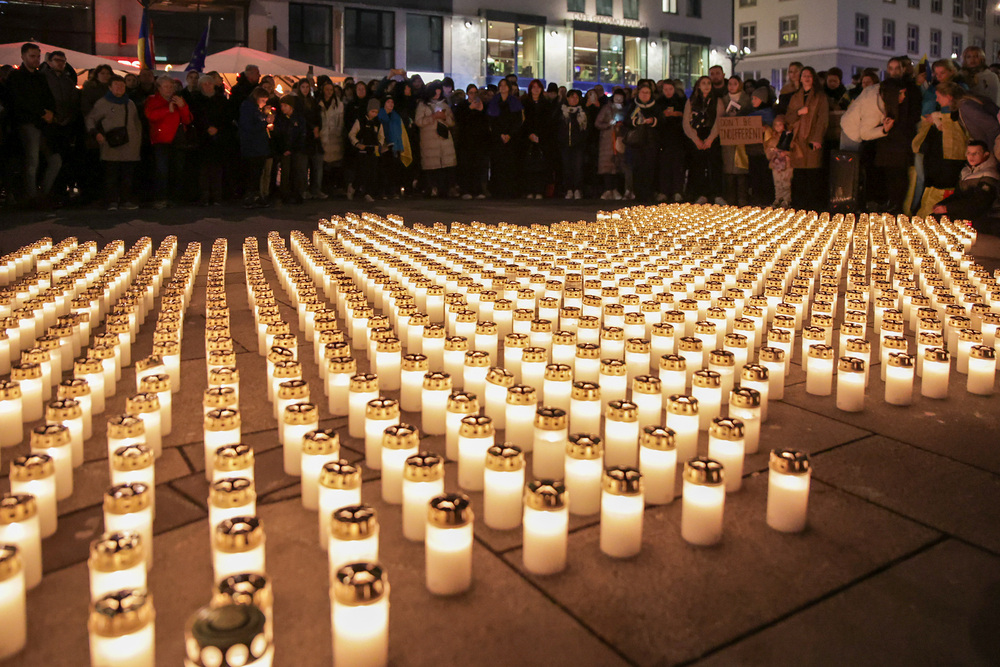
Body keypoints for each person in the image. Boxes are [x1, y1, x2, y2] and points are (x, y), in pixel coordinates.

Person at [7, 43, 61, 204]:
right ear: (23, 57)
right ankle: (33, 195)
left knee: (53, 160)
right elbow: (20, 101)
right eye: (32, 56)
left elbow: (48, 98)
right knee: (33, 160)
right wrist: (44, 113)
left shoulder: (40, 77)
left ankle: (40, 193)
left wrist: (51, 113)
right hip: (28, 122)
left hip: (42, 123)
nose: (36, 59)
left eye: (38, 56)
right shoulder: (16, 77)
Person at [911, 82, 970, 215]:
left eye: (939, 97)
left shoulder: (957, 114)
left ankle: (932, 216)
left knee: (941, 188)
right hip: (938, 159)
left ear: (949, 97)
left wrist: (936, 119)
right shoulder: (944, 114)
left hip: (948, 162)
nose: (937, 100)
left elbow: (954, 134)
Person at [84, 74, 141, 210]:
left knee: (127, 175)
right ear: (110, 87)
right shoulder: (102, 103)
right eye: (116, 85)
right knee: (112, 174)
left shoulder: (130, 103)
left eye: (122, 85)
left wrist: (138, 141)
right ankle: (112, 201)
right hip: (112, 145)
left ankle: (125, 200)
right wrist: (96, 133)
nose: (119, 87)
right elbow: (90, 119)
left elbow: (136, 123)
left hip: (130, 145)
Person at [932, 140, 1000, 234]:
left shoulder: (989, 174)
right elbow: (958, 195)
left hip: (983, 215)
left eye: (976, 153)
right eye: (968, 153)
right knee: (933, 218)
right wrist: (942, 204)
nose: (971, 156)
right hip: (963, 209)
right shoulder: (966, 171)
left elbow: (979, 203)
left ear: (986, 154)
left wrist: (947, 208)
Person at [145, 75, 193, 208]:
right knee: (162, 170)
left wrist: (182, 106)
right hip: (161, 140)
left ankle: (175, 198)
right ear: (159, 88)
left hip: (178, 139)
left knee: (178, 169)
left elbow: (187, 120)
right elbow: (150, 115)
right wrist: (167, 109)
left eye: (171, 86)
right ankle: (161, 197)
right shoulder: (153, 99)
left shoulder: (178, 99)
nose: (169, 89)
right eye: (166, 86)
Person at [785, 66, 829, 210]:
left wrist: (817, 138)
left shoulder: (820, 97)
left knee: (812, 171)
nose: (807, 78)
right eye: (804, 75)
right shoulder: (795, 97)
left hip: (811, 138)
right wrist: (799, 112)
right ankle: (799, 204)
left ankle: (813, 205)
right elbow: (789, 117)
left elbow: (822, 119)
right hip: (797, 139)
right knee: (799, 172)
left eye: (809, 75)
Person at [683, 76, 726, 204]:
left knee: (714, 165)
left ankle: (717, 194)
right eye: (703, 83)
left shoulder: (717, 101)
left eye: (708, 83)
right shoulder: (691, 101)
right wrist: (695, 139)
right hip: (697, 135)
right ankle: (701, 194)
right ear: (698, 86)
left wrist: (711, 139)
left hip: (712, 135)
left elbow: (719, 120)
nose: (706, 86)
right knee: (698, 166)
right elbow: (686, 122)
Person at [190, 73, 230, 206]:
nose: (207, 86)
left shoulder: (221, 99)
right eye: (204, 84)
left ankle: (217, 195)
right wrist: (206, 127)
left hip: (218, 138)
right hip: (202, 138)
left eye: (210, 83)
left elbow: (226, 117)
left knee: (217, 169)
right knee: (203, 169)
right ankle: (204, 196)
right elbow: (195, 117)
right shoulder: (196, 99)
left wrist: (217, 128)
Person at [415, 82, 458, 197]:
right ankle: (432, 189)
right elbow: (419, 121)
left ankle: (446, 189)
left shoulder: (444, 105)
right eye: (436, 92)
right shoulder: (423, 105)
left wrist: (444, 118)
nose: (438, 94)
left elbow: (452, 122)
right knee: (432, 166)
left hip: (444, 139)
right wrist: (433, 117)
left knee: (446, 165)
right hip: (429, 140)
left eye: (439, 92)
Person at [486, 79, 524, 199]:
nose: (503, 87)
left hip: (512, 139)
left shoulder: (514, 102)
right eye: (501, 85)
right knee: (498, 165)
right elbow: (491, 121)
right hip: (497, 139)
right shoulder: (494, 102)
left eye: (505, 85)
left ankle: (511, 190)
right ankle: (498, 190)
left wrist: (510, 134)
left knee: (511, 165)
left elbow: (518, 121)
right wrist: (500, 134)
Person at [239, 86, 273, 208]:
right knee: (253, 173)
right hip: (253, 147)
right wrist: (265, 122)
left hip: (258, 146)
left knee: (257, 173)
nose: (264, 103)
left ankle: (256, 196)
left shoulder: (255, 109)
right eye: (263, 100)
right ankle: (250, 197)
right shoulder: (249, 108)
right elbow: (249, 127)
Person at [625, 82, 659, 202]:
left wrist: (653, 120)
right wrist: (635, 121)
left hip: (651, 142)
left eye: (647, 92)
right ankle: (638, 194)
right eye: (643, 92)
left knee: (650, 168)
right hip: (637, 142)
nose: (645, 95)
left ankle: (649, 193)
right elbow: (626, 121)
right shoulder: (633, 106)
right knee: (637, 168)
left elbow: (662, 120)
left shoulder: (655, 106)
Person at [454, 87, 490, 199]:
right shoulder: (462, 106)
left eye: (475, 93)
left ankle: (477, 190)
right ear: (467, 93)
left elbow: (486, 122)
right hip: (465, 141)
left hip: (479, 141)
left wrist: (481, 110)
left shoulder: (483, 105)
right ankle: (466, 190)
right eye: (471, 93)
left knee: (477, 166)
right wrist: (470, 109)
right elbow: (459, 120)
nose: (473, 95)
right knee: (466, 166)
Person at [654, 79, 687, 202]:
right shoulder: (659, 102)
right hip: (664, 138)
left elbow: (686, 116)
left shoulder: (681, 101)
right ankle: (664, 191)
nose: (668, 92)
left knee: (677, 165)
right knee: (664, 165)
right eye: (666, 89)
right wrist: (663, 115)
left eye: (670, 89)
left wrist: (678, 115)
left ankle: (677, 191)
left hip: (678, 137)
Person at [722, 75, 752, 205]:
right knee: (728, 171)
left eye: (735, 83)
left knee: (741, 170)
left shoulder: (747, 99)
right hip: (728, 140)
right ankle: (730, 199)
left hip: (742, 140)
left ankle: (742, 198)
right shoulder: (723, 100)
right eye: (730, 84)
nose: (732, 86)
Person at [272, 94, 307, 205]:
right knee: (285, 173)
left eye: (285, 105)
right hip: (285, 151)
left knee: (297, 172)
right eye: (281, 105)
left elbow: (301, 135)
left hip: (296, 150)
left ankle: (297, 194)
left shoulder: (298, 118)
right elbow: (278, 136)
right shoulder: (280, 119)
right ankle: (285, 195)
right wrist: (284, 149)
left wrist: (293, 148)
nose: (282, 108)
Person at [348, 97, 384, 202]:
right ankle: (353, 187)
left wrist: (379, 144)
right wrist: (357, 144)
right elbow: (352, 134)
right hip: (362, 151)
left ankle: (367, 192)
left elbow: (381, 136)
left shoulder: (378, 123)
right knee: (362, 172)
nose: (374, 114)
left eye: (376, 112)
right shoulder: (360, 121)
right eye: (372, 111)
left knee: (373, 172)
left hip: (374, 150)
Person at [294, 78, 326, 200]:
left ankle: (315, 189)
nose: (305, 89)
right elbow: (301, 118)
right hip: (303, 138)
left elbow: (318, 117)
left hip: (314, 138)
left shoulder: (313, 101)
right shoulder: (297, 102)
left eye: (307, 87)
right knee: (302, 167)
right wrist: (312, 128)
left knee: (316, 165)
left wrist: (317, 127)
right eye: (303, 87)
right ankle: (303, 190)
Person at [520, 79, 551, 199]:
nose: (536, 89)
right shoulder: (525, 103)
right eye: (534, 87)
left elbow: (548, 122)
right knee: (528, 166)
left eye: (538, 87)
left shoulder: (546, 104)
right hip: (527, 138)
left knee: (541, 166)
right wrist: (529, 134)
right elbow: (523, 121)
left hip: (542, 138)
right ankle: (529, 190)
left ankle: (539, 190)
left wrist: (540, 136)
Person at [596, 88, 627, 199]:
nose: (618, 100)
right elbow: (598, 123)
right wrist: (609, 124)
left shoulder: (625, 110)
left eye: (621, 98)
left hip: (620, 138)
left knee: (618, 164)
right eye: (616, 98)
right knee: (607, 165)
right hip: (607, 140)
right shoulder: (606, 108)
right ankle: (608, 189)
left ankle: (615, 189)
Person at [557, 89, 588, 199]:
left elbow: (586, 129)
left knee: (578, 168)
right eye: (571, 97)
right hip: (565, 144)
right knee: (567, 168)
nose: (574, 99)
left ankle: (578, 189)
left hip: (578, 145)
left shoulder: (582, 112)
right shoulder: (562, 111)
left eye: (576, 97)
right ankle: (568, 189)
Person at [318, 81, 345, 194]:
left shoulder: (339, 104)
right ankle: (324, 188)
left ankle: (334, 187)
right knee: (324, 165)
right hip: (323, 136)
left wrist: (338, 132)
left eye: (331, 90)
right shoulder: (318, 103)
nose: (329, 92)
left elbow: (341, 121)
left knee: (335, 163)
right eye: (326, 89)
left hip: (335, 137)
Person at [378, 96, 408, 199]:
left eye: (392, 102)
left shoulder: (396, 117)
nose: (391, 104)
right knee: (383, 169)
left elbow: (399, 133)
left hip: (394, 146)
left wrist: (399, 146)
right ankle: (383, 191)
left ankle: (392, 190)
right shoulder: (379, 115)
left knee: (393, 170)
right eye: (388, 102)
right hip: (384, 146)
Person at [764, 115, 796, 208]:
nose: (778, 127)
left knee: (786, 183)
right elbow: (767, 151)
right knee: (777, 182)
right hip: (776, 164)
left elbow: (794, 150)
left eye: (780, 125)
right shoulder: (772, 140)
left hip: (787, 164)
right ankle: (778, 199)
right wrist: (773, 152)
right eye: (776, 125)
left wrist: (786, 153)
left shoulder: (789, 138)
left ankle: (786, 200)